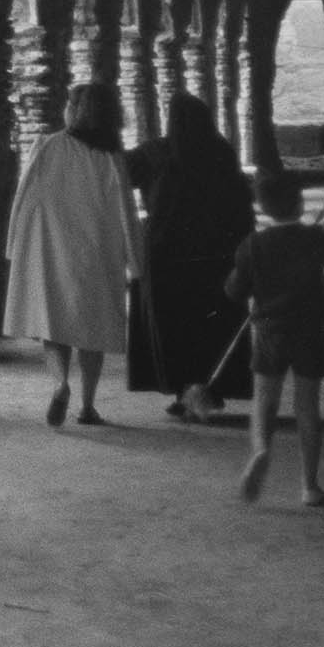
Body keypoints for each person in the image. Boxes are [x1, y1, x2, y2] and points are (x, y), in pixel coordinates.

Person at [0, 83, 144, 427]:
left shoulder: (47, 146)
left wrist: (15, 245)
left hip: (53, 249)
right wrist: (135, 261)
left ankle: (60, 383)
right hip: (98, 252)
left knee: (55, 322)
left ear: (76, 110)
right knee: (91, 330)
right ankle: (88, 406)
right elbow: (126, 211)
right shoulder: (111, 158)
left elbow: (25, 198)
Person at [223, 169, 324, 506]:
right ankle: (310, 486)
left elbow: (234, 291)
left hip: (270, 329)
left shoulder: (252, 245)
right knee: (307, 406)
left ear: (263, 207)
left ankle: (261, 450)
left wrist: (242, 278)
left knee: (264, 402)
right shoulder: (314, 239)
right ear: (300, 205)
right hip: (310, 330)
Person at [124, 94, 257, 418]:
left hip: (165, 255)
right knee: (209, 324)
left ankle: (184, 387)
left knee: (173, 326)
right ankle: (209, 387)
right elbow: (239, 204)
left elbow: (120, 172)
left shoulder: (156, 152)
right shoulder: (220, 151)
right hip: (213, 256)